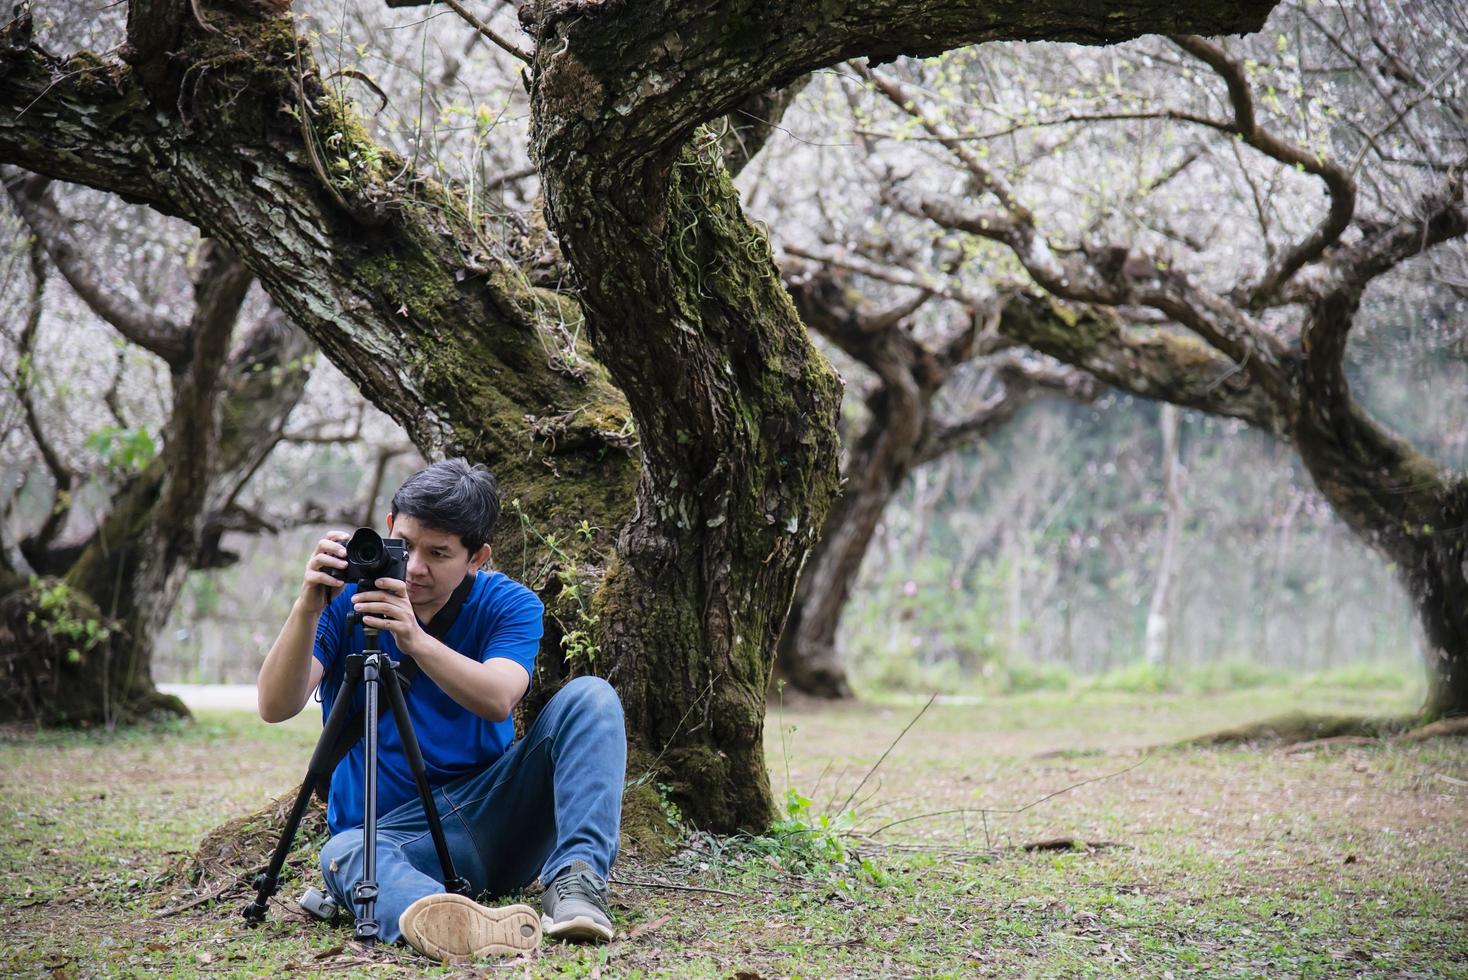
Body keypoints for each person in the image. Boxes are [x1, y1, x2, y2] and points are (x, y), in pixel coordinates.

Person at [257, 459, 626, 961]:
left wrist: (414, 641)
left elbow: (499, 698)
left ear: (477, 558)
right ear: (388, 528)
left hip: (492, 812)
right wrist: (307, 607)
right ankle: (451, 921)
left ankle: (576, 885)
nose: (413, 568)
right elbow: (275, 706)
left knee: (592, 698)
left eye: (438, 554)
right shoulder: (347, 601)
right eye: (405, 545)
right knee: (345, 853)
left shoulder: (508, 604)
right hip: (393, 838)